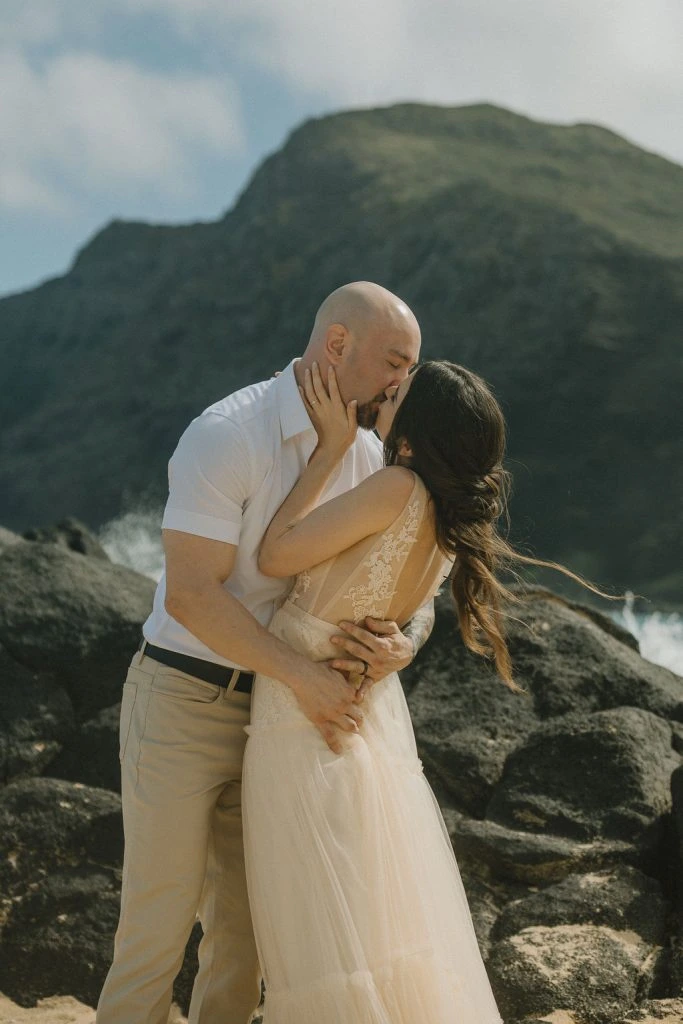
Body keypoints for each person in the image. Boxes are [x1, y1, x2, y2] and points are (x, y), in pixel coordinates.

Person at [96, 282, 433, 1024]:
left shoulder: (373, 457)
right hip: (184, 697)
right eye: (394, 363)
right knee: (155, 925)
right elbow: (190, 593)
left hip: (282, 721)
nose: (400, 384)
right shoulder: (227, 433)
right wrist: (306, 678)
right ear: (338, 345)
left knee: (247, 940)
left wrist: (404, 641)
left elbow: (409, 581)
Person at [241, 358, 606, 1022]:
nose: (386, 391)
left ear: (416, 428)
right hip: (365, 713)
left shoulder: (395, 486)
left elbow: (273, 556)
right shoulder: (446, 516)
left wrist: (327, 450)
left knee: (319, 930)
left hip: (305, 713)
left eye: (399, 391)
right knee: (367, 922)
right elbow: (406, 606)